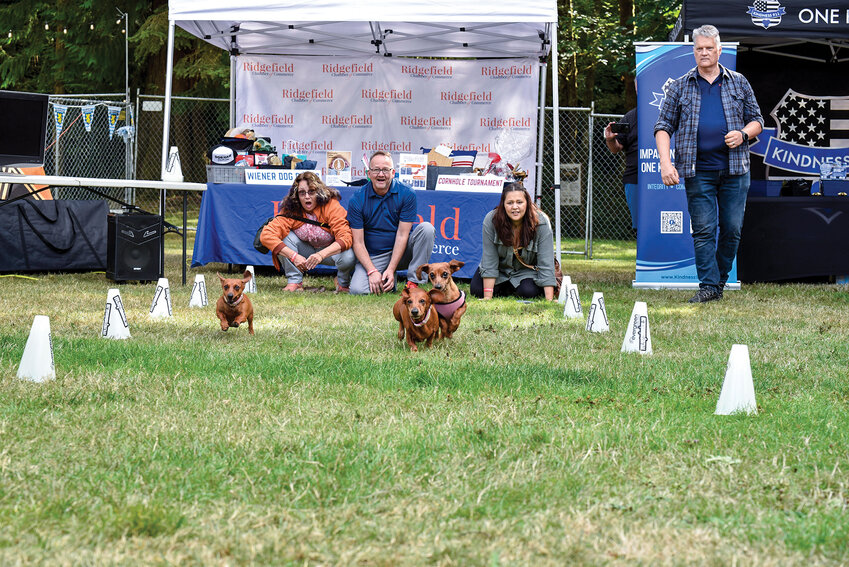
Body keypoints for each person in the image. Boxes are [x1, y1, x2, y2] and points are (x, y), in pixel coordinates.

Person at [654, 24, 763, 303]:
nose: (704, 53)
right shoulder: (679, 86)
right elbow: (663, 126)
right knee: (703, 230)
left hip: (735, 170)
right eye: (699, 48)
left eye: (709, 48)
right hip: (697, 171)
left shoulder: (739, 82)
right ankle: (708, 287)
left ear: (719, 50)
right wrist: (666, 163)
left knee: (732, 229)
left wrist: (743, 134)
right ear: (693, 51)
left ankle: (718, 283)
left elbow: (757, 121)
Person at [347, 150, 435, 295]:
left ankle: (414, 283)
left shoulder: (407, 194)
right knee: (358, 290)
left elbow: (402, 235)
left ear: (393, 172)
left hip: (402, 252)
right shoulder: (356, 199)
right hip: (374, 256)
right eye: (376, 170)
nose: (381, 174)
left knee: (426, 229)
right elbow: (358, 242)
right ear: (369, 174)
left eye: (385, 170)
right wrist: (372, 271)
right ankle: (387, 280)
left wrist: (391, 268)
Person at [259, 171, 355, 292]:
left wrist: (321, 255)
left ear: (319, 192)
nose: (307, 197)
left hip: (329, 253)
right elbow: (266, 235)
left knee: (349, 255)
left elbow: (346, 237)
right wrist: (293, 256)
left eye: (311, 192)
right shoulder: (291, 208)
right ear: (297, 195)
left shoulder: (331, 205)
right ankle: (295, 281)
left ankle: (342, 283)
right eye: (302, 193)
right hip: (304, 253)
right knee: (284, 237)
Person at [470, 181, 556, 301]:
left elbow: (546, 262)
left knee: (528, 292)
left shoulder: (541, 222)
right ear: (503, 204)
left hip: (526, 271)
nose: (515, 207)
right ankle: (508, 287)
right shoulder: (491, 220)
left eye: (519, 202)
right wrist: (487, 297)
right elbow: (489, 259)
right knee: (477, 290)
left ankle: (509, 288)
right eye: (510, 203)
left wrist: (549, 299)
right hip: (500, 270)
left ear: (527, 203)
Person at [604, 107, 638, 232]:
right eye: (636, 85)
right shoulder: (631, 116)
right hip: (635, 179)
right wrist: (610, 139)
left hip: (670, 178)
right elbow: (615, 148)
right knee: (640, 228)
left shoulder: (673, 111)